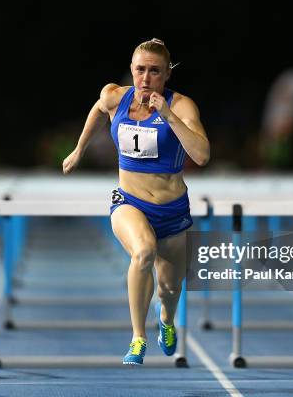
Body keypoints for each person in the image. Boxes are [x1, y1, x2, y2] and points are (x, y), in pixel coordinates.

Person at [62, 38, 209, 365]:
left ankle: (166, 321)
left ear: (166, 74)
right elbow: (98, 110)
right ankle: (137, 337)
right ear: (131, 69)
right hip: (129, 202)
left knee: (169, 289)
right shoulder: (115, 95)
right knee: (143, 251)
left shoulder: (182, 106)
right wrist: (79, 149)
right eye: (140, 69)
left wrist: (168, 116)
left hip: (172, 211)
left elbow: (202, 155)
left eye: (154, 71)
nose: (146, 78)